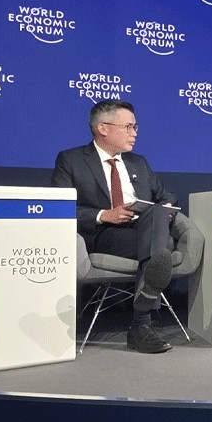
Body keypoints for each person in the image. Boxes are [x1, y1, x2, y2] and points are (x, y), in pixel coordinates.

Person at [52, 99, 177, 354]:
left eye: (135, 127)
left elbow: (167, 196)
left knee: (156, 216)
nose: (134, 133)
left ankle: (141, 325)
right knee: (162, 247)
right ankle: (141, 323)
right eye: (128, 127)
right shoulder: (71, 160)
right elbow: (59, 208)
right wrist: (103, 215)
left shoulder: (139, 163)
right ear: (103, 128)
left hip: (142, 230)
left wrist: (164, 209)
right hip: (104, 234)